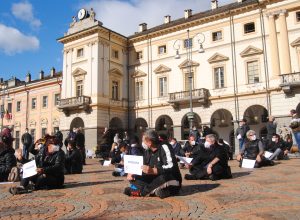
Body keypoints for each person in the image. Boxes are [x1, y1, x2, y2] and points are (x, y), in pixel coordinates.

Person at [124, 129, 182, 199]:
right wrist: (132, 173)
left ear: (149, 142)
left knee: (162, 178)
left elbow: (171, 166)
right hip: (154, 177)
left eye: (143, 141)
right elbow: (143, 166)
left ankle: (141, 192)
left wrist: (154, 170)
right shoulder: (147, 151)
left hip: (172, 178)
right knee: (136, 179)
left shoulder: (165, 146)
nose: (142, 143)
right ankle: (157, 191)